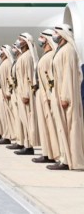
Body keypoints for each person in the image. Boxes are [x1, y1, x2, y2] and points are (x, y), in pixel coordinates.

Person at [47, 24, 84, 170]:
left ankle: (70, 160)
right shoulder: (61, 50)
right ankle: (64, 158)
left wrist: (65, 97)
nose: (54, 35)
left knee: (69, 128)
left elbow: (68, 75)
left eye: (56, 32)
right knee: (62, 128)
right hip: (60, 94)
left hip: (65, 96)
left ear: (62, 34)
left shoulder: (68, 50)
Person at [32, 30, 60, 164]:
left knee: (51, 126)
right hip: (42, 95)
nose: (40, 39)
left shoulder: (50, 56)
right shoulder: (46, 55)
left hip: (47, 96)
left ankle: (54, 154)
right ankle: (46, 152)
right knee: (44, 127)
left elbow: (51, 78)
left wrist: (49, 96)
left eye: (42, 37)